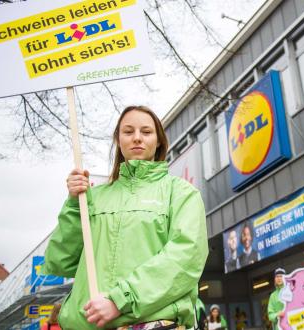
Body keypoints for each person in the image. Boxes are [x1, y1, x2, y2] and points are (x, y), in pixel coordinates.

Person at [43, 105, 208, 330]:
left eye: (146, 132)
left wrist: (121, 300)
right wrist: (74, 204)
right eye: (128, 132)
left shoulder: (181, 193)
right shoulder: (93, 197)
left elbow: (186, 257)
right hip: (86, 324)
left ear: (159, 140)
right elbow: (61, 261)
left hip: (152, 323)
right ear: (118, 140)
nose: (137, 138)